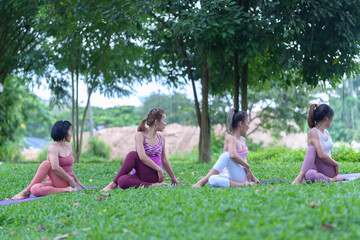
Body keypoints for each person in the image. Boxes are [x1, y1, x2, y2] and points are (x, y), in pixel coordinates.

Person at [101, 108, 181, 191]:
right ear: (156, 122)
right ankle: (152, 185)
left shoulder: (161, 138)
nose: (165, 124)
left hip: (154, 174)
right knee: (122, 180)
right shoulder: (140, 135)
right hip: (141, 174)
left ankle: (113, 184)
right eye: (164, 121)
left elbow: (164, 159)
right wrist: (159, 169)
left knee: (132, 154)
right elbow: (142, 156)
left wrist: (173, 177)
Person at [12, 121, 85, 200]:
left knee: (46, 164)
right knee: (34, 189)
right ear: (64, 132)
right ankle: (65, 190)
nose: (71, 134)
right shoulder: (53, 148)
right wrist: (70, 180)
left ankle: (26, 191)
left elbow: (68, 168)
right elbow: (55, 168)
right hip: (56, 181)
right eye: (70, 132)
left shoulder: (69, 147)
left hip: (66, 181)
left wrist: (75, 181)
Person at [192, 108, 260, 188]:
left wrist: (252, 177)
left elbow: (241, 159)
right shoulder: (230, 138)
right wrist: (247, 166)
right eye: (248, 123)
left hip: (240, 174)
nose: (248, 126)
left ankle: (203, 181)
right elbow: (233, 155)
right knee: (212, 179)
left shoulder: (243, 140)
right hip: (228, 174)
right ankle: (242, 184)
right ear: (241, 124)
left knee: (226, 155)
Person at [292, 104, 346, 184]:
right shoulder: (313, 132)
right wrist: (336, 163)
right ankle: (330, 180)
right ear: (327, 118)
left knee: (312, 149)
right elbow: (321, 154)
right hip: (314, 170)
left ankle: (300, 177)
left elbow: (322, 155)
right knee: (309, 175)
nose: (332, 120)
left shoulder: (326, 132)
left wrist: (335, 163)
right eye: (332, 118)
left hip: (327, 168)